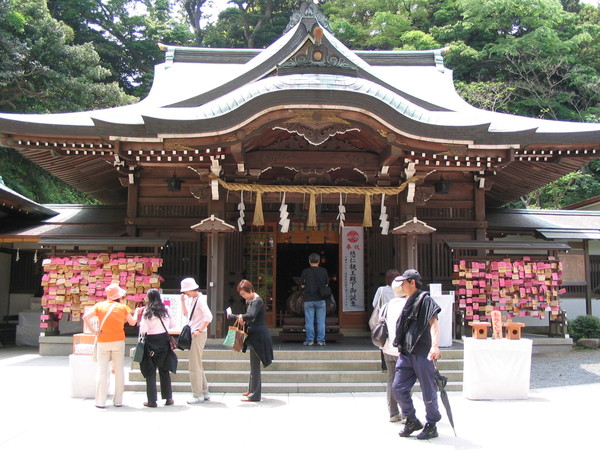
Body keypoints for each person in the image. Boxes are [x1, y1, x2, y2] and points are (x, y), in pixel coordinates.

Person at [392, 269, 442, 440]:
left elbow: (433, 324)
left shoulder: (425, 300)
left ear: (412, 282)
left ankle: (432, 424)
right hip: (406, 352)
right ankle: (411, 419)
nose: (401, 285)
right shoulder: (407, 300)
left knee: (428, 390)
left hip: (422, 352)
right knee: (398, 388)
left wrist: (435, 346)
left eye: (403, 282)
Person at [83, 283, 138, 408]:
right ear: (118, 295)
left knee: (102, 371)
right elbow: (133, 322)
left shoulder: (99, 306)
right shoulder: (123, 307)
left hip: (103, 340)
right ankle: (118, 401)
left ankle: (100, 401)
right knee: (119, 371)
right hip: (118, 341)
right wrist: (137, 313)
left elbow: (85, 317)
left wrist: (93, 331)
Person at [229, 279, 274, 402]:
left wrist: (237, 316)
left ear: (250, 290)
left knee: (255, 366)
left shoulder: (257, 301)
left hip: (258, 337)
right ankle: (251, 390)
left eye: (244, 294)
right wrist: (243, 319)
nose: (243, 297)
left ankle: (255, 395)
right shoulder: (252, 300)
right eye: (242, 295)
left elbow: (252, 315)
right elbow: (250, 317)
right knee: (253, 365)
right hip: (255, 336)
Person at [138, 288, 176, 407]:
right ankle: (168, 398)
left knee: (150, 371)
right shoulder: (166, 309)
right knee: (164, 370)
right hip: (164, 341)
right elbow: (172, 324)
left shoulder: (147, 311)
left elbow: (143, 329)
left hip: (151, 343)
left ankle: (152, 400)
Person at [180, 277, 212, 404]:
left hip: (197, 334)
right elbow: (187, 315)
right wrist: (182, 302)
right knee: (197, 364)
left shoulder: (200, 300)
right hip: (196, 333)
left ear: (191, 289)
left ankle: (197, 394)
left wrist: (200, 330)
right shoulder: (192, 299)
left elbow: (209, 316)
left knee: (194, 366)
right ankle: (204, 391)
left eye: (186, 291)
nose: (185, 294)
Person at [378, 277, 406, 423]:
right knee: (404, 381)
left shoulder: (386, 306)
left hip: (388, 348)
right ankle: (406, 413)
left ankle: (393, 413)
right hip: (403, 349)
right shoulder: (408, 306)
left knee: (391, 379)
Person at [371, 269, 400, 371]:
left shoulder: (381, 290)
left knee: (383, 340)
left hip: (384, 318)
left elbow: (374, 304)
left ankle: (385, 366)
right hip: (398, 318)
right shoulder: (401, 289)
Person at [300, 252, 330, 346]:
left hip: (309, 299)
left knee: (309, 321)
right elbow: (326, 285)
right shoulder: (324, 271)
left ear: (309, 261)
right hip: (321, 299)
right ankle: (321, 340)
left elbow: (302, 285)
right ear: (319, 261)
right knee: (321, 321)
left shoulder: (305, 271)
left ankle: (310, 340)